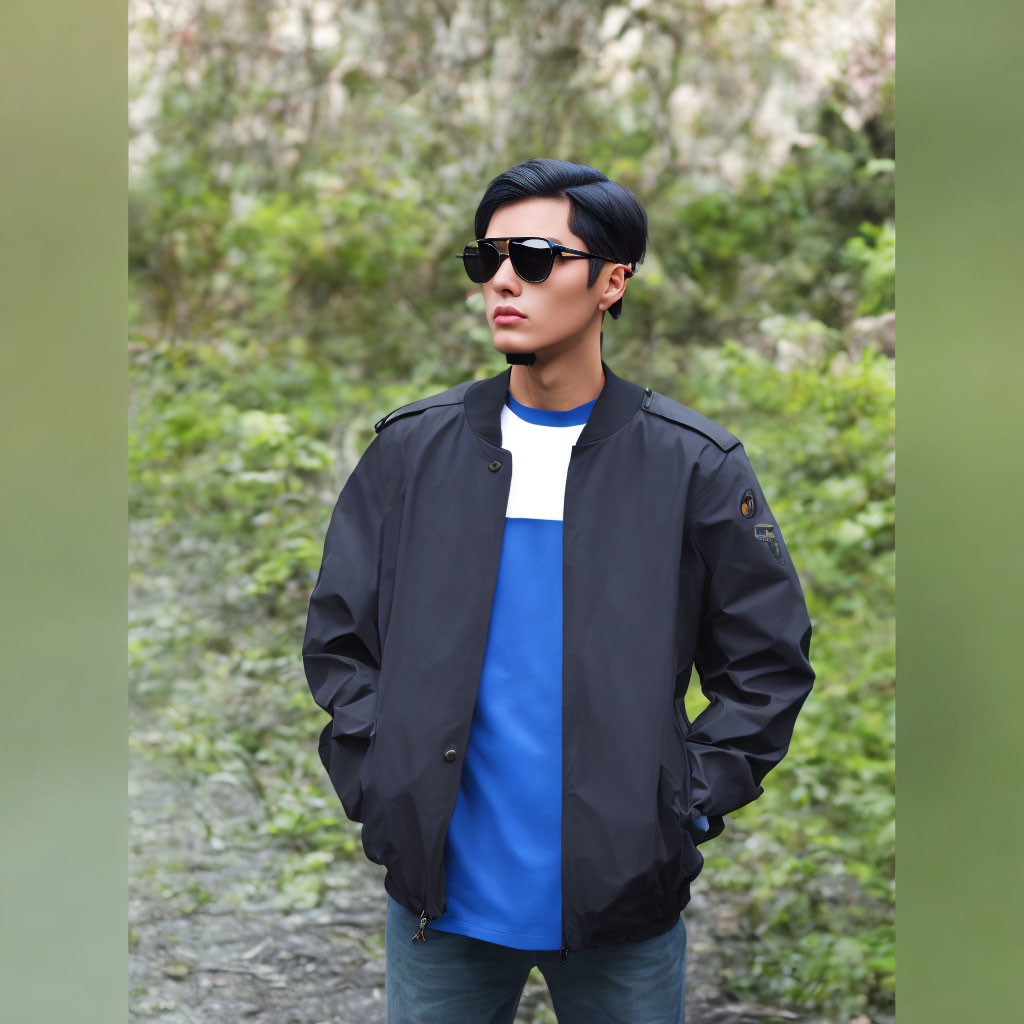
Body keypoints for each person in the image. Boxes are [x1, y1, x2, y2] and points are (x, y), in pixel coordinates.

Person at [302, 158, 815, 1024]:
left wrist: (677, 807)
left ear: (613, 280)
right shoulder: (412, 452)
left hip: (623, 905)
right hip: (442, 903)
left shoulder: (692, 465)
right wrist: (382, 779)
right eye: (489, 258)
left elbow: (766, 666)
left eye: (535, 257)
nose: (504, 279)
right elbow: (340, 642)